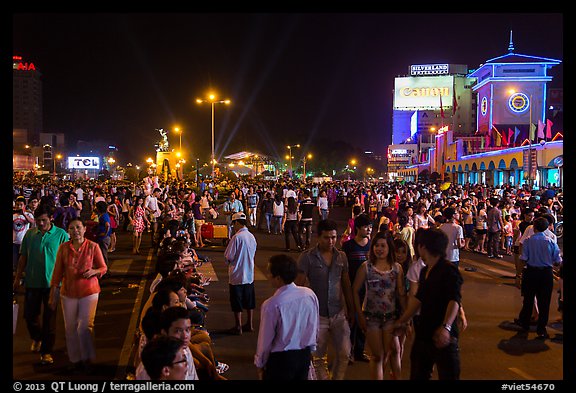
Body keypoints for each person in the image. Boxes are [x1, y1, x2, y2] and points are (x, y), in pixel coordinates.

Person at [393, 227, 463, 380]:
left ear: (422, 246)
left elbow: (454, 300)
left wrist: (446, 327)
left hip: (444, 336)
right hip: (424, 333)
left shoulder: (449, 271)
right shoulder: (425, 272)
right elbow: (418, 299)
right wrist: (403, 321)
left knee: (449, 375)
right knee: (419, 373)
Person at [296, 219, 354, 380]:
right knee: (318, 357)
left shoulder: (341, 257)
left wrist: (352, 309)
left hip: (338, 313)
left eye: (334, 237)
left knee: (345, 353)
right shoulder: (307, 257)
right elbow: (298, 286)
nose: (331, 241)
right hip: (317, 315)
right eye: (326, 238)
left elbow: (346, 284)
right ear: (318, 237)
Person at [13, 205, 70, 365]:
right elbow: (23, 258)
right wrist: (17, 278)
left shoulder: (61, 235)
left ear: (51, 218)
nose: (41, 223)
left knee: (49, 319)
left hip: (54, 284)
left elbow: (67, 259)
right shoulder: (30, 234)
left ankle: (46, 351)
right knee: (30, 316)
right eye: (38, 221)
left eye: (44, 220)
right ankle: (37, 337)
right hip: (32, 282)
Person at [49, 218, 107, 373]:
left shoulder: (93, 247)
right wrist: (53, 293)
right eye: (72, 228)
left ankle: (87, 357)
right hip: (68, 292)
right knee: (70, 328)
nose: (75, 231)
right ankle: (74, 359)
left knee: (85, 326)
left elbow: (103, 267)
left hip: (89, 292)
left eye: (78, 227)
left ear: (84, 229)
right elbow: (57, 273)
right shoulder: (63, 248)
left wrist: (94, 271)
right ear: (69, 231)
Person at [254, 254, 319, 380]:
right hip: (303, 355)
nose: (268, 277)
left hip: (281, 360)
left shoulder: (272, 304)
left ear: (278, 278)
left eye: (270, 274)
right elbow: (314, 326)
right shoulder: (309, 295)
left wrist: (260, 362)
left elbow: (265, 339)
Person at [352, 231, 406, 380]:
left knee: (394, 350)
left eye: (383, 246)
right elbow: (355, 291)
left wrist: (406, 316)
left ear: (389, 248)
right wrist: (359, 315)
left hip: (391, 317)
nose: (379, 249)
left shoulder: (397, 268)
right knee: (377, 355)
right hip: (371, 319)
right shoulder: (366, 267)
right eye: (376, 245)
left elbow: (401, 294)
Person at [515, 217, 562, 339]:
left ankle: (524, 326)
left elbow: (524, 258)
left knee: (528, 300)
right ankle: (541, 329)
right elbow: (557, 261)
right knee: (544, 302)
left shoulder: (528, 241)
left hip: (530, 272)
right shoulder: (551, 242)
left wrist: (519, 274)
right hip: (546, 274)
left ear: (534, 227)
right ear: (547, 227)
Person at [341, 213, 372, 363]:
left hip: (368, 290)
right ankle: (349, 351)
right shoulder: (348, 246)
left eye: (370, 227)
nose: (369, 229)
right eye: (366, 227)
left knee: (364, 321)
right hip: (352, 289)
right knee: (351, 320)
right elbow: (344, 271)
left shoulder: (373, 245)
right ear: (358, 228)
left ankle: (360, 351)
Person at [224, 212, 257, 335]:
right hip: (249, 274)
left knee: (237, 302)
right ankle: (250, 324)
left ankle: (238, 326)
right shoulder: (251, 236)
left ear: (237, 223)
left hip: (237, 274)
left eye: (234, 224)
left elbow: (229, 256)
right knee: (249, 301)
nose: (233, 226)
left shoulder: (236, 237)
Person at [13, 196, 35, 273]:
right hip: (14, 243)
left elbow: (32, 222)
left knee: (24, 262)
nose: (18, 206)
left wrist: (24, 214)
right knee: (15, 262)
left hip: (24, 242)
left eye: (20, 205)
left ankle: (23, 277)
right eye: (17, 204)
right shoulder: (13, 215)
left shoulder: (28, 214)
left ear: (24, 206)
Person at [94, 201, 112, 274]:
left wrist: (104, 233)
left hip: (103, 238)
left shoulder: (104, 216)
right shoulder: (103, 215)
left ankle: (106, 271)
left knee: (103, 255)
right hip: (102, 237)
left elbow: (107, 225)